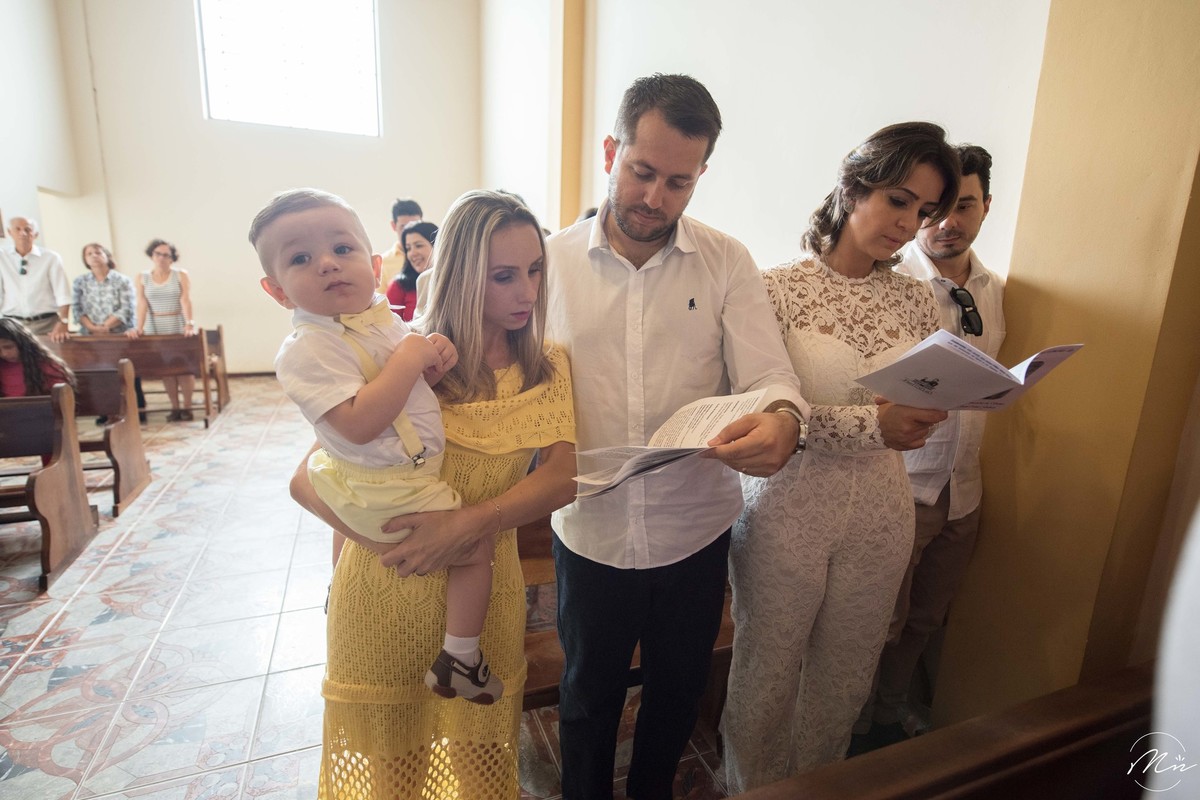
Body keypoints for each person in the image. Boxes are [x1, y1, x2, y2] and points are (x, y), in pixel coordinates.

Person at [544, 73, 809, 800]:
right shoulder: (549, 266)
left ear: (701, 177)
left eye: (679, 183)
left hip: (695, 531)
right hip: (590, 526)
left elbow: (771, 377)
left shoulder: (726, 261)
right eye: (642, 172)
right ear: (611, 150)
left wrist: (783, 420)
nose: (655, 199)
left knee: (676, 692)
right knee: (587, 695)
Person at [290, 189, 577, 798]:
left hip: (481, 605)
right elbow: (305, 479)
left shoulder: (546, 366)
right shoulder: (403, 358)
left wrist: (462, 526)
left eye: (534, 271)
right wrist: (396, 541)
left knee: (482, 769)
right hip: (385, 593)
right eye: (504, 276)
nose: (526, 292)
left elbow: (562, 476)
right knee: (395, 779)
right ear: (461, 277)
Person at [720, 122, 959, 791]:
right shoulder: (774, 290)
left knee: (845, 678)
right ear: (854, 186)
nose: (909, 223)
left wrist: (929, 413)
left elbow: (918, 402)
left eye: (922, 210)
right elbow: (759, 415)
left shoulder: (918, 299)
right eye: (898, 200)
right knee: (766, 673)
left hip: (884, 514)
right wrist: (869, 428)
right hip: (787, 511)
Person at [253, 187, 509, 705]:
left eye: (342, 250)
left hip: (395, 469)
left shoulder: (378, 320)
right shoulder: (306, 350)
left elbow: (402, 395)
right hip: (385, 484)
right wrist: (410, 359)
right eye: (301, 258)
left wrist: (432, 364)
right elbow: (360, 422)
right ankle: (461, 657)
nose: (327, 264)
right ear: (276, 291)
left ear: (372, 263)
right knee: (476, 548)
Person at [852, 144, 1006, 752]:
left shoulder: (992, 289)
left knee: (924, 619)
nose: (946, 222)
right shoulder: (892, 284)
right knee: (878, 622)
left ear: (985, 208)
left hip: (962, 488)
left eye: (963, 206)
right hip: (902, 483)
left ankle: (889, 718)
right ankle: (855, 726)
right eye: (933, 209)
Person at [73, 243, 146, 422]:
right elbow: (77, 308)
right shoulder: (80, 282)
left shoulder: (122, 280)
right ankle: (105, 411)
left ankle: (136, 410)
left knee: (125, 372)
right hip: (91, 336)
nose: (94, 256)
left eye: (98, 252)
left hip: (119, 333)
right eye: (89, 253)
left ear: (106, 256)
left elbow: (126, 307)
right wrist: (92, 328)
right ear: (85, 260)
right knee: (99, 374)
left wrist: (106, 326)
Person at [134, 239, 196, 421]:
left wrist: (189, 323)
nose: (161, 258)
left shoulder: (180, 275)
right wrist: (139, 327)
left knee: (184, 368)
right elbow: (142, 303)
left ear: (172, 258)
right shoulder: (143, 277)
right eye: (158, 254)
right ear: (152, 256)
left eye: (166, 255)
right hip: (156, 326)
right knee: (167, 370)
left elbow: (185, 299)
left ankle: (187, 406)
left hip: (177, 323)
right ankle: (175, 407)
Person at [0, 216, 71, 341]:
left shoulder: (51, 258)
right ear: (10, 232)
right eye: (18, 229)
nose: (23, 233)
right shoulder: (2, 257)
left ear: (35, 234)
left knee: (49, 360)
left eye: (28, 229)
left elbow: (63, 294)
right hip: (12, 325)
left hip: (47, 324)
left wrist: (64, 322)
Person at [0, 317, 75, 398]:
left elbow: (63, 401)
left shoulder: (48, 365)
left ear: (22, 343)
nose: (4, 354)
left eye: (8, 347)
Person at [386, 220, 438, 322]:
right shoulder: (398, 286)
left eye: (418, 246)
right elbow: (388, 327)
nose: (412, 253)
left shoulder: (454, 281)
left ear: (437, 246)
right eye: (408, 248)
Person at [378, 197, 424, 291]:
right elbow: (382, 302)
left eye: (416, 225)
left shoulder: (434, 255)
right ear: (394, 226)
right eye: (404, 227)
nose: (410, 232)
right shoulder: (383, 263)